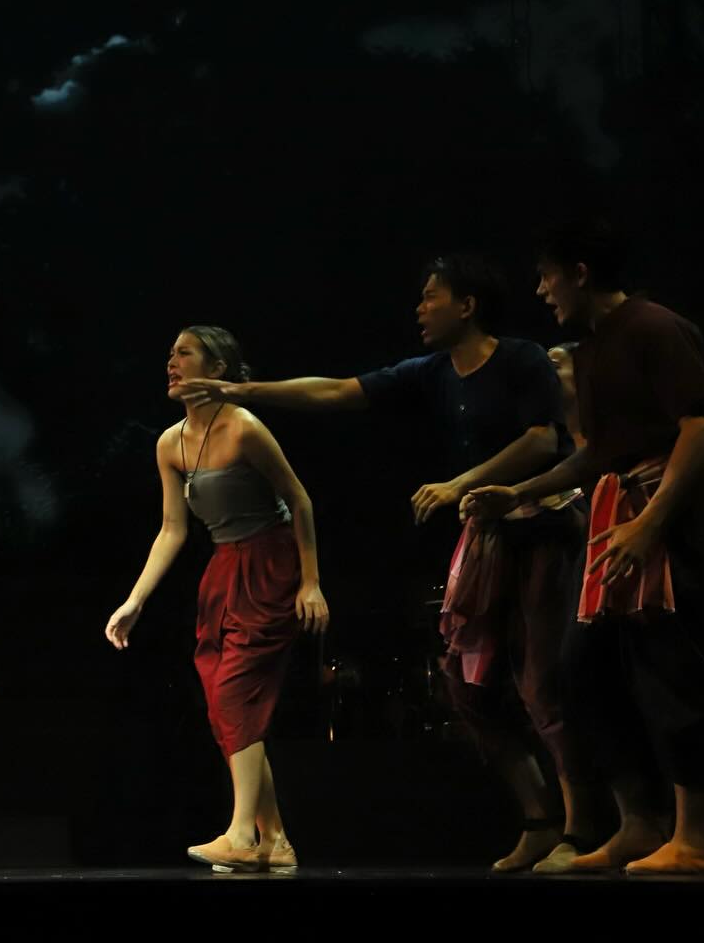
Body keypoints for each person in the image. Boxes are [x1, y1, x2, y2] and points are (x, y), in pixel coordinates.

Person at [180, 257, 592, 872]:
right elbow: (338, 390)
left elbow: (543, 439)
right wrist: (242, 391)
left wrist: (460, 484)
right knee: (468, 689)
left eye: (430, 297)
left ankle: (579, 831)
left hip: (546, 528)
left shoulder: (521, 359)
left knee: (542, 683)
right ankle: (538, 818)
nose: (419, 309)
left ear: (467, 305)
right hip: (488, 534)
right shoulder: (431, 371)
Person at [466, 220, 704, 875]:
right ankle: (640, 823)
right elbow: (598, 453)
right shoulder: (594, 346)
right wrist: (517, 492)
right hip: (616, 519)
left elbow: (699, 425)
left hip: (667, 520)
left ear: (579, 272)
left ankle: (695, 836)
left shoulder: (654, 327)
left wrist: (651, 522)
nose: (541, 290)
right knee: (582, 670)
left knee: (671, 671)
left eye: (548, 276)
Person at [106, 326, 328, 871]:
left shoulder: (244, 427)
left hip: (270, 562)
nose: (171, 362)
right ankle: (274, 839)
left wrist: (310, 581)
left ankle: (241, 833)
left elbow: (299, 500)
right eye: (169, 354)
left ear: (218, 368)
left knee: (234, 697)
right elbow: (172, 529)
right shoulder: (170, 443)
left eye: (184, 353)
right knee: (224, 707)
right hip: (223, 569)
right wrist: (135, 600)